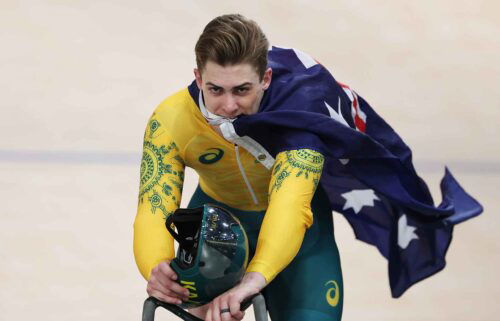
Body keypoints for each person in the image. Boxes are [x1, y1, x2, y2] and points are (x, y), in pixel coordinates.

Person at [134, 14, 482, 321]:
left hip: (299, 236)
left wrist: (255, 278)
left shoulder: (302, 111)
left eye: (242, 90)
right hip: (215, 229)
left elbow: (289, 205)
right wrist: (156, 265)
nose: (229, 106)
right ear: (197, 76)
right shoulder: (171, 120)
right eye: (215, 90)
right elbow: (153, 206)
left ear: (266, 78)